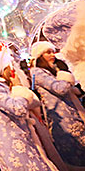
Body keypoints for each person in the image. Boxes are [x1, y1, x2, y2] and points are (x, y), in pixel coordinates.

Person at [0, 43, 59, 171]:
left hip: (21, 135)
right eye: (10, 64)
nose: (13, 68)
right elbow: (18, 109)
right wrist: (19, 88)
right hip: (11, 141)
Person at [30, 41, 85, 169]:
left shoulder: (52, 69)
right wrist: (65, 74)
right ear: (39, 56)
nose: (52, 55)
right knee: (75, 151)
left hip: (72, 113)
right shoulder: (36, 72)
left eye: (52, 52)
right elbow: (59, 88)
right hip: (61, 117)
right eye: (48, 52)